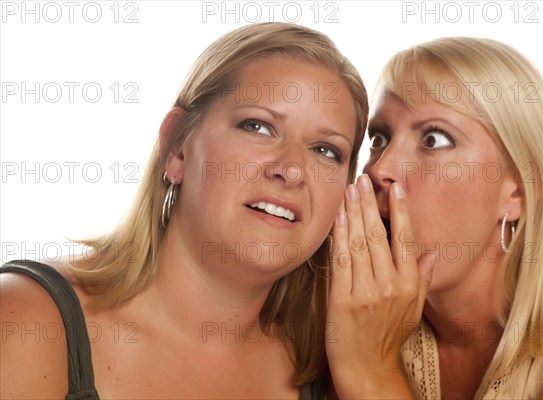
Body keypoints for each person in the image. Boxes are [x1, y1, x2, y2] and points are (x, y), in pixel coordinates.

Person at [0, 22, 368, 399]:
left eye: (326, 151)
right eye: (257, 126)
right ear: (177, 147)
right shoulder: (26, 320)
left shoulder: (336, 368)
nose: (291, 170)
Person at [326, 37, 543, 399]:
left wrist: (369, 370)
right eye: (379, 138)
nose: (381, 169)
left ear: (519, 191)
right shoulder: (353, 308)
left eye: (434, 139)